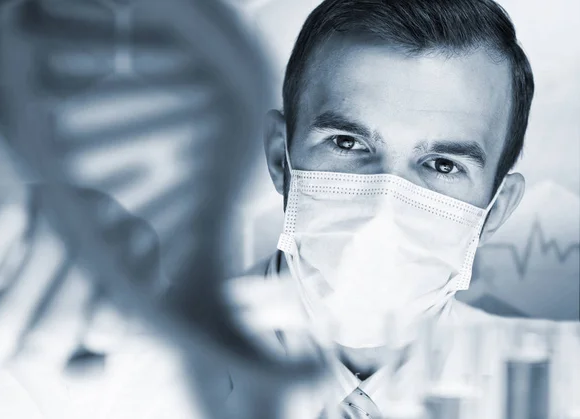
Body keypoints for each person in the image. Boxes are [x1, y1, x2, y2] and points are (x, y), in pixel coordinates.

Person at [226, 0, 534, 416]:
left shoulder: (557, 392)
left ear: (496, 211)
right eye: (347, 143)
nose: (382, 213)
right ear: (281, 158)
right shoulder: (141, 367)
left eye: (444, 165)